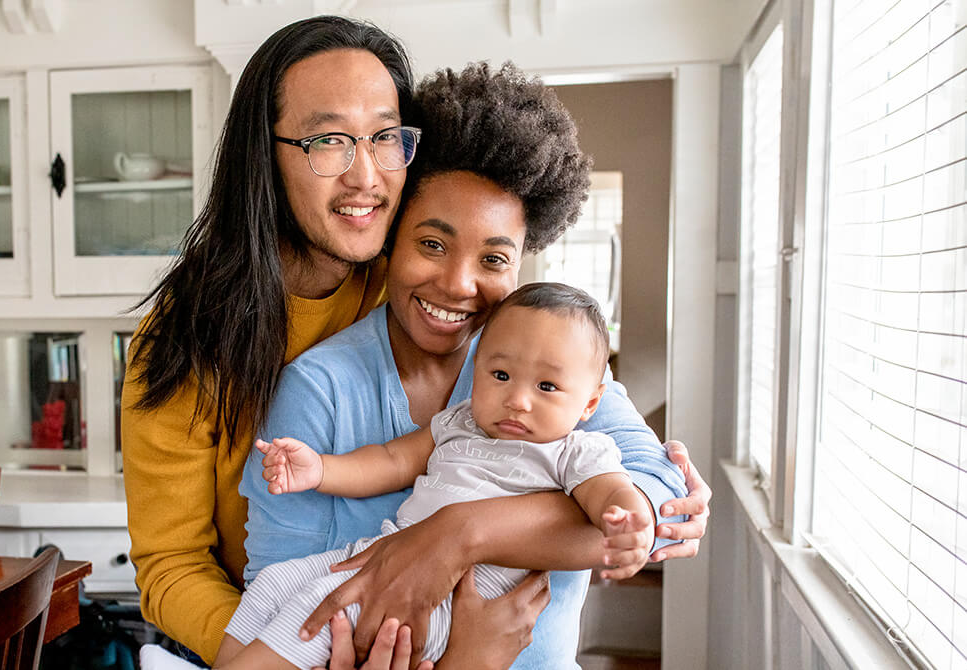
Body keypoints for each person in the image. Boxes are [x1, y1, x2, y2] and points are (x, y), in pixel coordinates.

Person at [122, 15, 712, 670]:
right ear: (266, 154)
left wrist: (461, 535)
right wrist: (314, 649)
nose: (365, 175)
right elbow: (171, 563)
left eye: (383, 138)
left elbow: (635, 471)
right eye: (328, 140)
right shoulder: (193, 338)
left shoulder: (458, 309)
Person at [209, 283, 652, 670]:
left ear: (590, 404)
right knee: (273, 583)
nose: (517, 399)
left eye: (547, 387)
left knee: (319, 611)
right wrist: (322, 469)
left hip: (455, 597)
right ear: (476, 370)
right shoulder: (461, 422)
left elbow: (611, 491)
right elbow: (392, 461)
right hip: (388, 551)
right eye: (500, 375)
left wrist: (630, 522)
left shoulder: (574, 450)